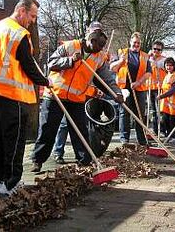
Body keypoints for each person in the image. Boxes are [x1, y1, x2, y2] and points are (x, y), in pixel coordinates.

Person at [31, 21, 124, 172]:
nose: (96, 50)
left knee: (80, 132)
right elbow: (51, 63)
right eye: (94, 46)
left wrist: (116, 93)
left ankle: (84, 162)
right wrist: (70, 60)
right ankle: (38, 160)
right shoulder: (69, 46)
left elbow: (106, 79)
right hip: (55, 95)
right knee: (48, 129)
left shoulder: (99, 57)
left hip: (77, 99)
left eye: (99, 48)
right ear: (89, 39)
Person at [0, 0, 51, 195]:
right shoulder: (20, 33)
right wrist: (45, 81)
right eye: (32, 16)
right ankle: (11, 182)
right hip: (13, 93)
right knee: (15, 140)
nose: (33, 21)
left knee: (1, 139)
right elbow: (28, 65)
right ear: (21, 10)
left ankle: (0, 180)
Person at [110, 32, 151, 146]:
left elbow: (148, 73)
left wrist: (138, 82)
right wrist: (121, 61)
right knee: (124, 113)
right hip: (124, 88)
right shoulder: (121, 53)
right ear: (130, 42)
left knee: (139, 114)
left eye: (138, 43)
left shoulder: (144, 56)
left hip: (139, 88)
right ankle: (124, 139)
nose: (136, 45)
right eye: (134, 42)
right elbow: (112, 68)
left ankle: (142, 140)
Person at [156, 57, 175, 143]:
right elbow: (165, 87)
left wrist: (162, 96)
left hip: (174, 102)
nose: (168, 67)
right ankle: (169, 135)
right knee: (165, 119)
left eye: (170, 65)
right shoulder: (167, 75)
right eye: (167, 65)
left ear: (174, 66)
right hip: (166, 103)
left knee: (173, 120)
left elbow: (173, 90)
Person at [147, 40, 166, 136]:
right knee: (153, 110)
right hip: (150, 87)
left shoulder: (163, 60)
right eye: (154, 49)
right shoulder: (148, 59)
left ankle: (162, 130)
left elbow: (161, 65)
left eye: (158, 50)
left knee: (160, 110)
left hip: (160, 88)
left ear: (161, 51)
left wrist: (152, 59)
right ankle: (154, 130)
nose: (156, 51)